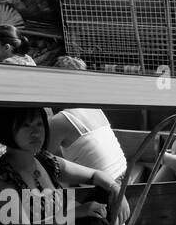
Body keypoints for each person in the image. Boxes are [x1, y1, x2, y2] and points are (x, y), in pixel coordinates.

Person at [0, 106, 129, 225]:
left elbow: (94, 175)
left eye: (39, 124)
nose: (35, 132)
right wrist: (77, 212)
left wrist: (115, 189)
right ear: (7, 129)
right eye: (25, 126)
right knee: (90, 224)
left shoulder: (44, 160)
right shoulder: (0, 178)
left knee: (106, 196)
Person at [48, 56, 130, 184]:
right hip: (125, 176)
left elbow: (43, 159)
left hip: (106, 188)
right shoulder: (93, 108)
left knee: (38, 190)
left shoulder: (61, 120)